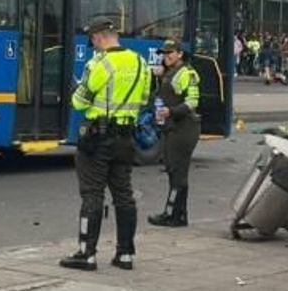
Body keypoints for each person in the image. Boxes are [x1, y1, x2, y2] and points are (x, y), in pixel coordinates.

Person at [60, 17, 152, 272]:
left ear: (99, 37)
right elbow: (145, 98)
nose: (94, 45)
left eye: (93, 40)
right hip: (126, 139)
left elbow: (79, 102)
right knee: (124, 195)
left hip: (99, 138)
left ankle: (86, 254)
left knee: (92, 194)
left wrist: (78, 89)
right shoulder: (140, 62)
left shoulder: (100, 63)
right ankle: (125, 254)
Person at [147, 39, 201, 228]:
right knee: (173, 171)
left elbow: (192, 101)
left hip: (184, 128)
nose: (166, 56)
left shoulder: (187, 73)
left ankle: (172, 215)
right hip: (172, 127)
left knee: (178, 173)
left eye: (170, 53)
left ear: (180, 54)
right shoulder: (169, 73)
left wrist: (172, 112)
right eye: (164, 53)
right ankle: (180, 215)